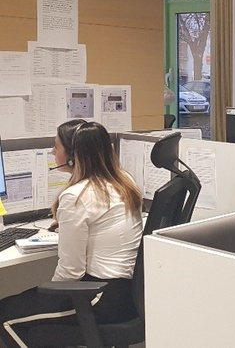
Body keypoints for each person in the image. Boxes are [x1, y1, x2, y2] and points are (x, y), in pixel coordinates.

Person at [0, 120, 143, 347]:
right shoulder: (123, 182)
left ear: (73, 156)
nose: (52, 151)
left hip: (97, 297)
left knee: (5, 316)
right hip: (127, 295)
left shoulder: (76, 196)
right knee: (28, 317)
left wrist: (49, 298)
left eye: (56, 146)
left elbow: (70, 271)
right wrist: (69, 226)